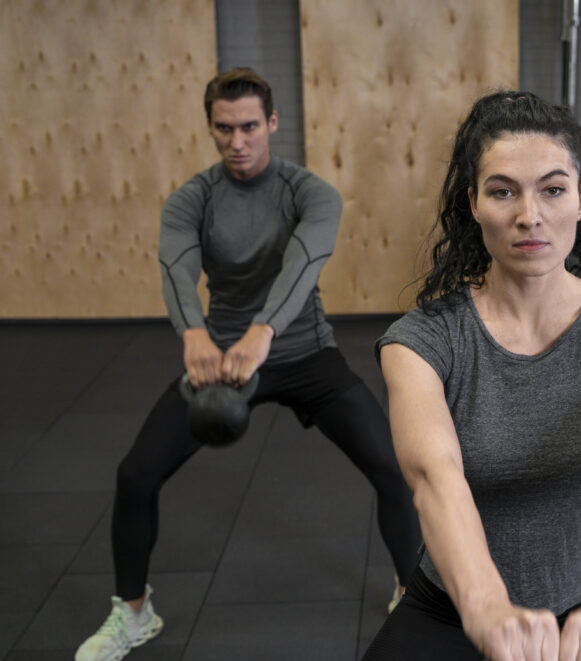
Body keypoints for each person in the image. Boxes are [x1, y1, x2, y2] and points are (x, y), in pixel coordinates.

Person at [75, 67, 421, 661]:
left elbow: (305, 263)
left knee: (397, 466)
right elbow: (176, 268)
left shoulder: (310, 193)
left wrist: (265, 330)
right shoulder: (192, 198)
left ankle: (414, 595)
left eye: (250, 127)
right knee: (135, 475)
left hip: (306, 353)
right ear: (210, 127)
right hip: (221, 361)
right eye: (224, 128)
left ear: (273, 124)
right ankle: (133, 614)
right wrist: (192, 334)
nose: (237, 141)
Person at [362, 91, 581, 661]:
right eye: (503, 190)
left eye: (552, 189)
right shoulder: (422, 343)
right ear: (474, 204)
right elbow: (435, 480)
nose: (529, 215)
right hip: (453, 605)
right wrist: (485, 604)